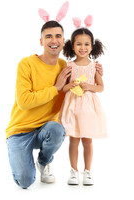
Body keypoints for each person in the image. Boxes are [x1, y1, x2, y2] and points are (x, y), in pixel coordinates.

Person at [6, 20, 103, 189]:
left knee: (59, 130)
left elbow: (86, 80)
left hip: (47, 130)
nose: (54, 40)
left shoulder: (65, 67)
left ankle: (43, 162)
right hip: (20, 131)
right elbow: (24, 102)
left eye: (58, 36)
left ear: (64, 41)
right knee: (25, 181)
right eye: (48, 36)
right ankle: (21, 154)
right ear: (41, 41)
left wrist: (96, 72)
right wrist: (56, 87)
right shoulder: (26, 64)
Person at [58, 27, 107, 186]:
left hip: (88, 109)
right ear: (72, 46)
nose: (83, 48)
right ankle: (73, 171)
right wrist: (70, 85)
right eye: (79, 44)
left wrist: (88, 86)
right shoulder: (69, 66)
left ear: (92, 46)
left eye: (86, 44)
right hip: (73, 107)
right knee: (73, 139)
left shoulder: (95, 67)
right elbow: (62, 88)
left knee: (87, 140)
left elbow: (100, 87)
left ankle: (88, 171)